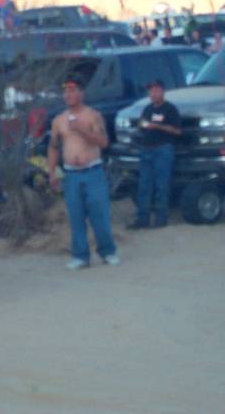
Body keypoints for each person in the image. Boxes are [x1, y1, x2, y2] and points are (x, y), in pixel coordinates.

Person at [47, 76, 118, 270]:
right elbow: (53, 147)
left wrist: (81, 129)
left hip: (93, 171)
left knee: (99, 214)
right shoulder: (59, 120)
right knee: (76, 216)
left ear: (81, 93)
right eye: (65, 91)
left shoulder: (93, 115)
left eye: (72, 90)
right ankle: (80, 256)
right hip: (71, 174)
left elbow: (103, 142)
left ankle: (107, 251)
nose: (68, 95)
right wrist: (51, 171)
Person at [127, 80, 181, 229]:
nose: (153, 94)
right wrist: (143, 125)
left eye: (156, 90)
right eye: (151, 91)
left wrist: (157, 126)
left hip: (163, 149)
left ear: (163, 91)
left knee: (161, 185)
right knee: (144, 185)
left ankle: (161, 219)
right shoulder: (147, 109)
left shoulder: (170, 109)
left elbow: (177, 131)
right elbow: (142, 125)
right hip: (146, 149)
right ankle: (142, 219)